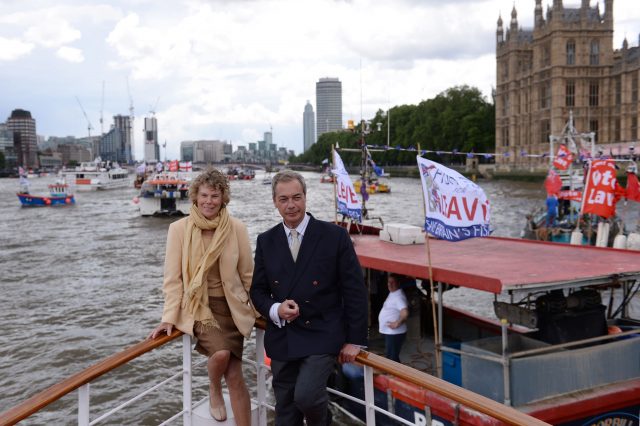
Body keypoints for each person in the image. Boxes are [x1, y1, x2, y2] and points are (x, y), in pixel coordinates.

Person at [250, 170, 368, 426]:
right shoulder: (266, 240)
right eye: (283, 199)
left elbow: (355, 290)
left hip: (322, 333)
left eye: (296, 197)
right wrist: (276, 309)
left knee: (306, 396)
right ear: (274, 202)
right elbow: (257, 291)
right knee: (286, 410)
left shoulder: (334, 236)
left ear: (305, 197)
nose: (291, 205)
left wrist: (355, 340)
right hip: (283, 337)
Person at [149, 167, 256, 425]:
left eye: (215, 196)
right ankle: (213, 388)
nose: (209, 201)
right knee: (220, 355)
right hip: (201, 307)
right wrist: (168, 317)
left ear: (223, 199)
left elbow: (248, 275)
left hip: (232, 308)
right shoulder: (179, 230)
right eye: (205, 195)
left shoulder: (237, 228)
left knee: (235, 375)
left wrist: (261, 308)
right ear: (195, 197)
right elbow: (172, 279)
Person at [378, 273, 409, 362]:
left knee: (392, 359)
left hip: (394, 333)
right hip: (390, 332)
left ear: (398, 283)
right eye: (388, 282)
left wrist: (397, 323)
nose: (390, 284)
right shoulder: (394, 293)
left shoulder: (399, 297)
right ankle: (395, 374)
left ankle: (394, 375)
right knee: (392, 356)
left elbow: (405, 313)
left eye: (392, 282)